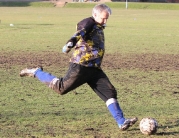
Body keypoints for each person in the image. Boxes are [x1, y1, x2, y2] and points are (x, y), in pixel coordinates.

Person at [20, 4, 137, 130]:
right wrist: (70, 43)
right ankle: (36, 72)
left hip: (94, 69)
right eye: (103, 18)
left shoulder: (98, 26)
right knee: (61, 88)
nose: (105, 21)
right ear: (95, 15)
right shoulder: (89, 22)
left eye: (107, 18)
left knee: (109, 92)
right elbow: (80, 32)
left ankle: (121, 121)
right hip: (81, 66)